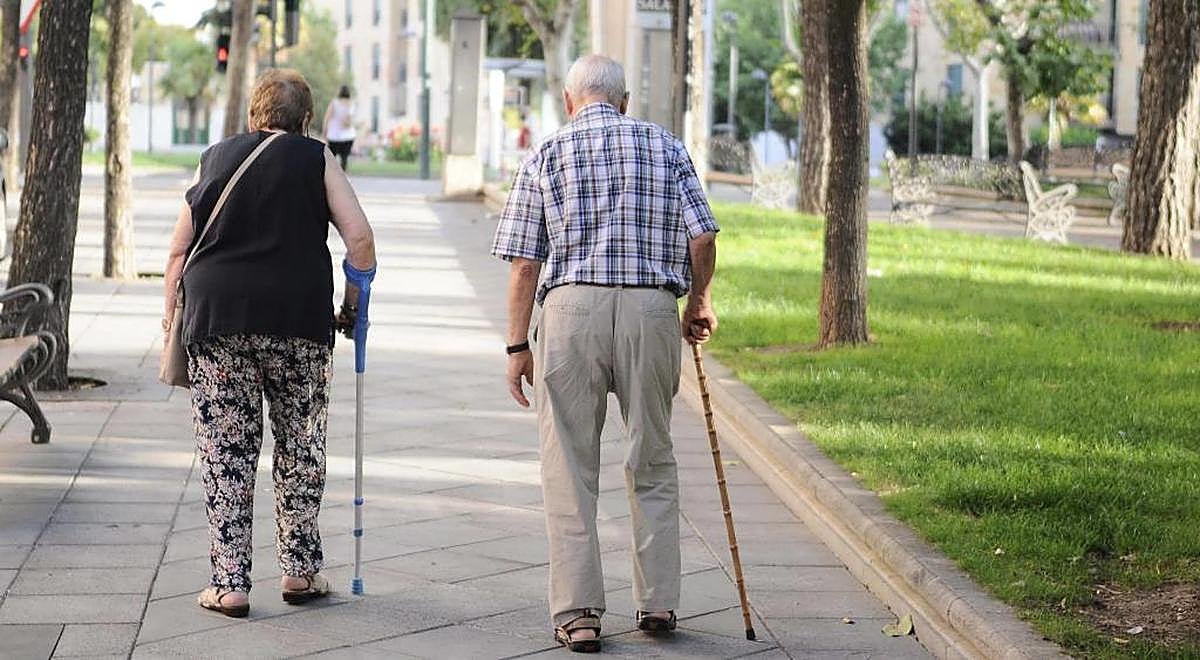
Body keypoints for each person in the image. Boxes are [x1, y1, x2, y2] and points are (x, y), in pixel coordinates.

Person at [491, 54, 719, 653]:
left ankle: (579, 615)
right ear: (623, 102)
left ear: (570, 102)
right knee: (652, 454)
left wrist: (518, 345)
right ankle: (659, 603)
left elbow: (523, 264)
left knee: (568, 465)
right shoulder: (666, 147)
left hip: (571, 312)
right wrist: (698, 302)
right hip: (650, 311)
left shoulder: (547, 152)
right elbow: (703, 234)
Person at [162, 69, 376, 618]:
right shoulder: (316, 158)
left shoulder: (215, 157)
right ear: (306, 120)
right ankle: (300, 572)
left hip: (218, 318)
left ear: (254, 115)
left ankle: (230, 584)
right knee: (299, 445)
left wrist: (171, 321)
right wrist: (353, 308)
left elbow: (178, 251)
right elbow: (360, 239)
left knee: (227, 451)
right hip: (298, 320)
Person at [324, 85, 356, 171]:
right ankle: (342, 180)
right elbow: (349, 122)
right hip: (348, 136)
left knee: (331, 160)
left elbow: (327, 118)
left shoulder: (334, 103)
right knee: (344, 159)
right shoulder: (351, 103)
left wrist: (325, 133)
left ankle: (331, 180)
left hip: (334, 136)